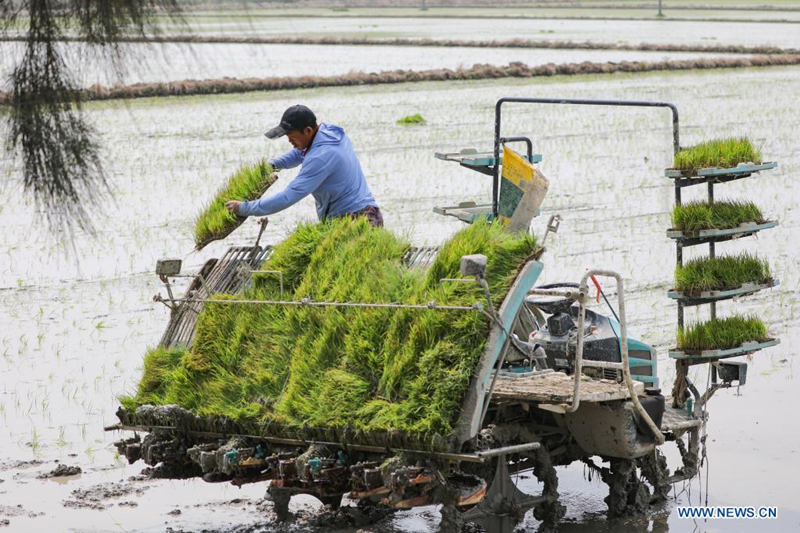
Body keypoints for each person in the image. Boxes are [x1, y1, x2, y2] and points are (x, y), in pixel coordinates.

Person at [225, 104, 383, 227]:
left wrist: (244, 208)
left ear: (307, 130)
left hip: (358, 219)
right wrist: (271, 166)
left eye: (291, 136)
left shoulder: (321, 157)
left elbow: (288, 197)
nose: (289, 141)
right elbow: (300, 152)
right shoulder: (327, 132)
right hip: (358, 213)